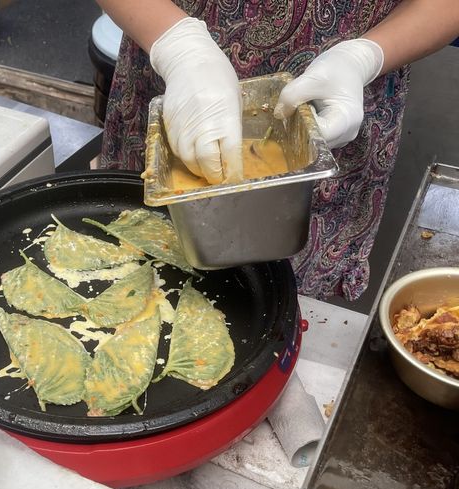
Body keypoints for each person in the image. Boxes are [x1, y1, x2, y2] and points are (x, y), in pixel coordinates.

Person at [95, 0, 459, 300]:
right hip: (174, 80)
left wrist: (365, 57)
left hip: (335, 103)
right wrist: (177, 45)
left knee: (282, 310)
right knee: (141, 276)